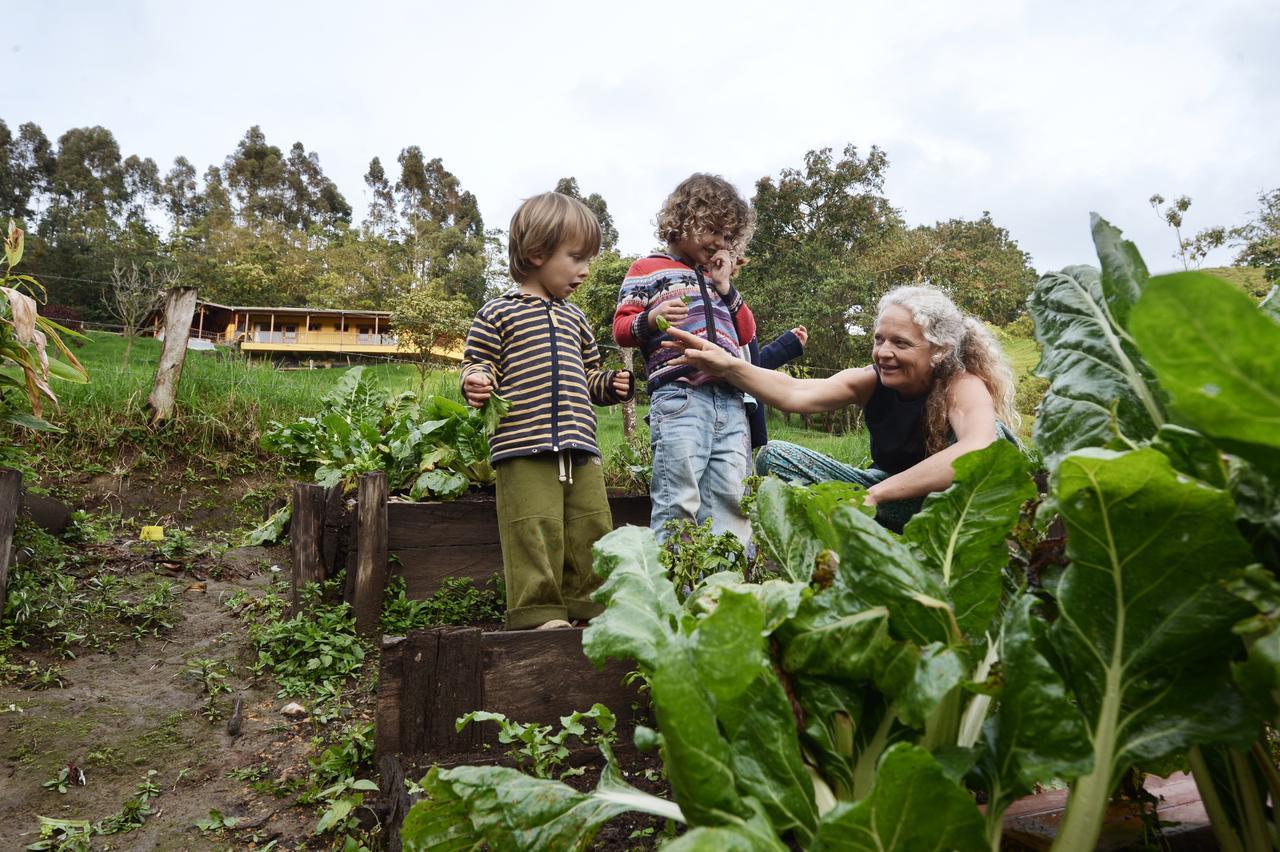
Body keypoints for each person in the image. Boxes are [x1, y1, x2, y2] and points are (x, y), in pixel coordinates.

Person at [663, 285, 1019, 532]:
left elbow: (978, 448)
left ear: (939, 350)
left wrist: (878, 494)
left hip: (965, 513)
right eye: (879, 339)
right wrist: (726, 364)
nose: (883, 352)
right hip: (895, 504)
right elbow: (793, 392)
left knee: (996, 437)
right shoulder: (870, 380)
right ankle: (841, 538)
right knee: (775, 457)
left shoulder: (963, 384)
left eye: (900, 343)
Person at [461, 192, 634, 630]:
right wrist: (476, 380)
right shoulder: (497, 313)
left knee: (591, 527)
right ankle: (538, 614)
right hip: (523, 445)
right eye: (576, 257)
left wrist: (610, 385)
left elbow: (589, 375)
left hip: (580, 444)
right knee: (533, 529)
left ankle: (591, 609)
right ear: (537, 253)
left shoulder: (576, 319)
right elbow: (478, 363)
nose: (585, 270)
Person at [612, 173, 757, 545]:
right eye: (714, 230)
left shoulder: (717, 280)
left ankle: (727, 593)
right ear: (684, 222)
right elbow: (622, 328)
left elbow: (746, 333)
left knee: (732, 502)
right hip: (680, 397)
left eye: (729, 236)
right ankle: (675, 594)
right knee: (678, 501)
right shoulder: (647, 269)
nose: (721, 243)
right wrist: (651, 317)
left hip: (730, 400)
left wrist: (726, 287)